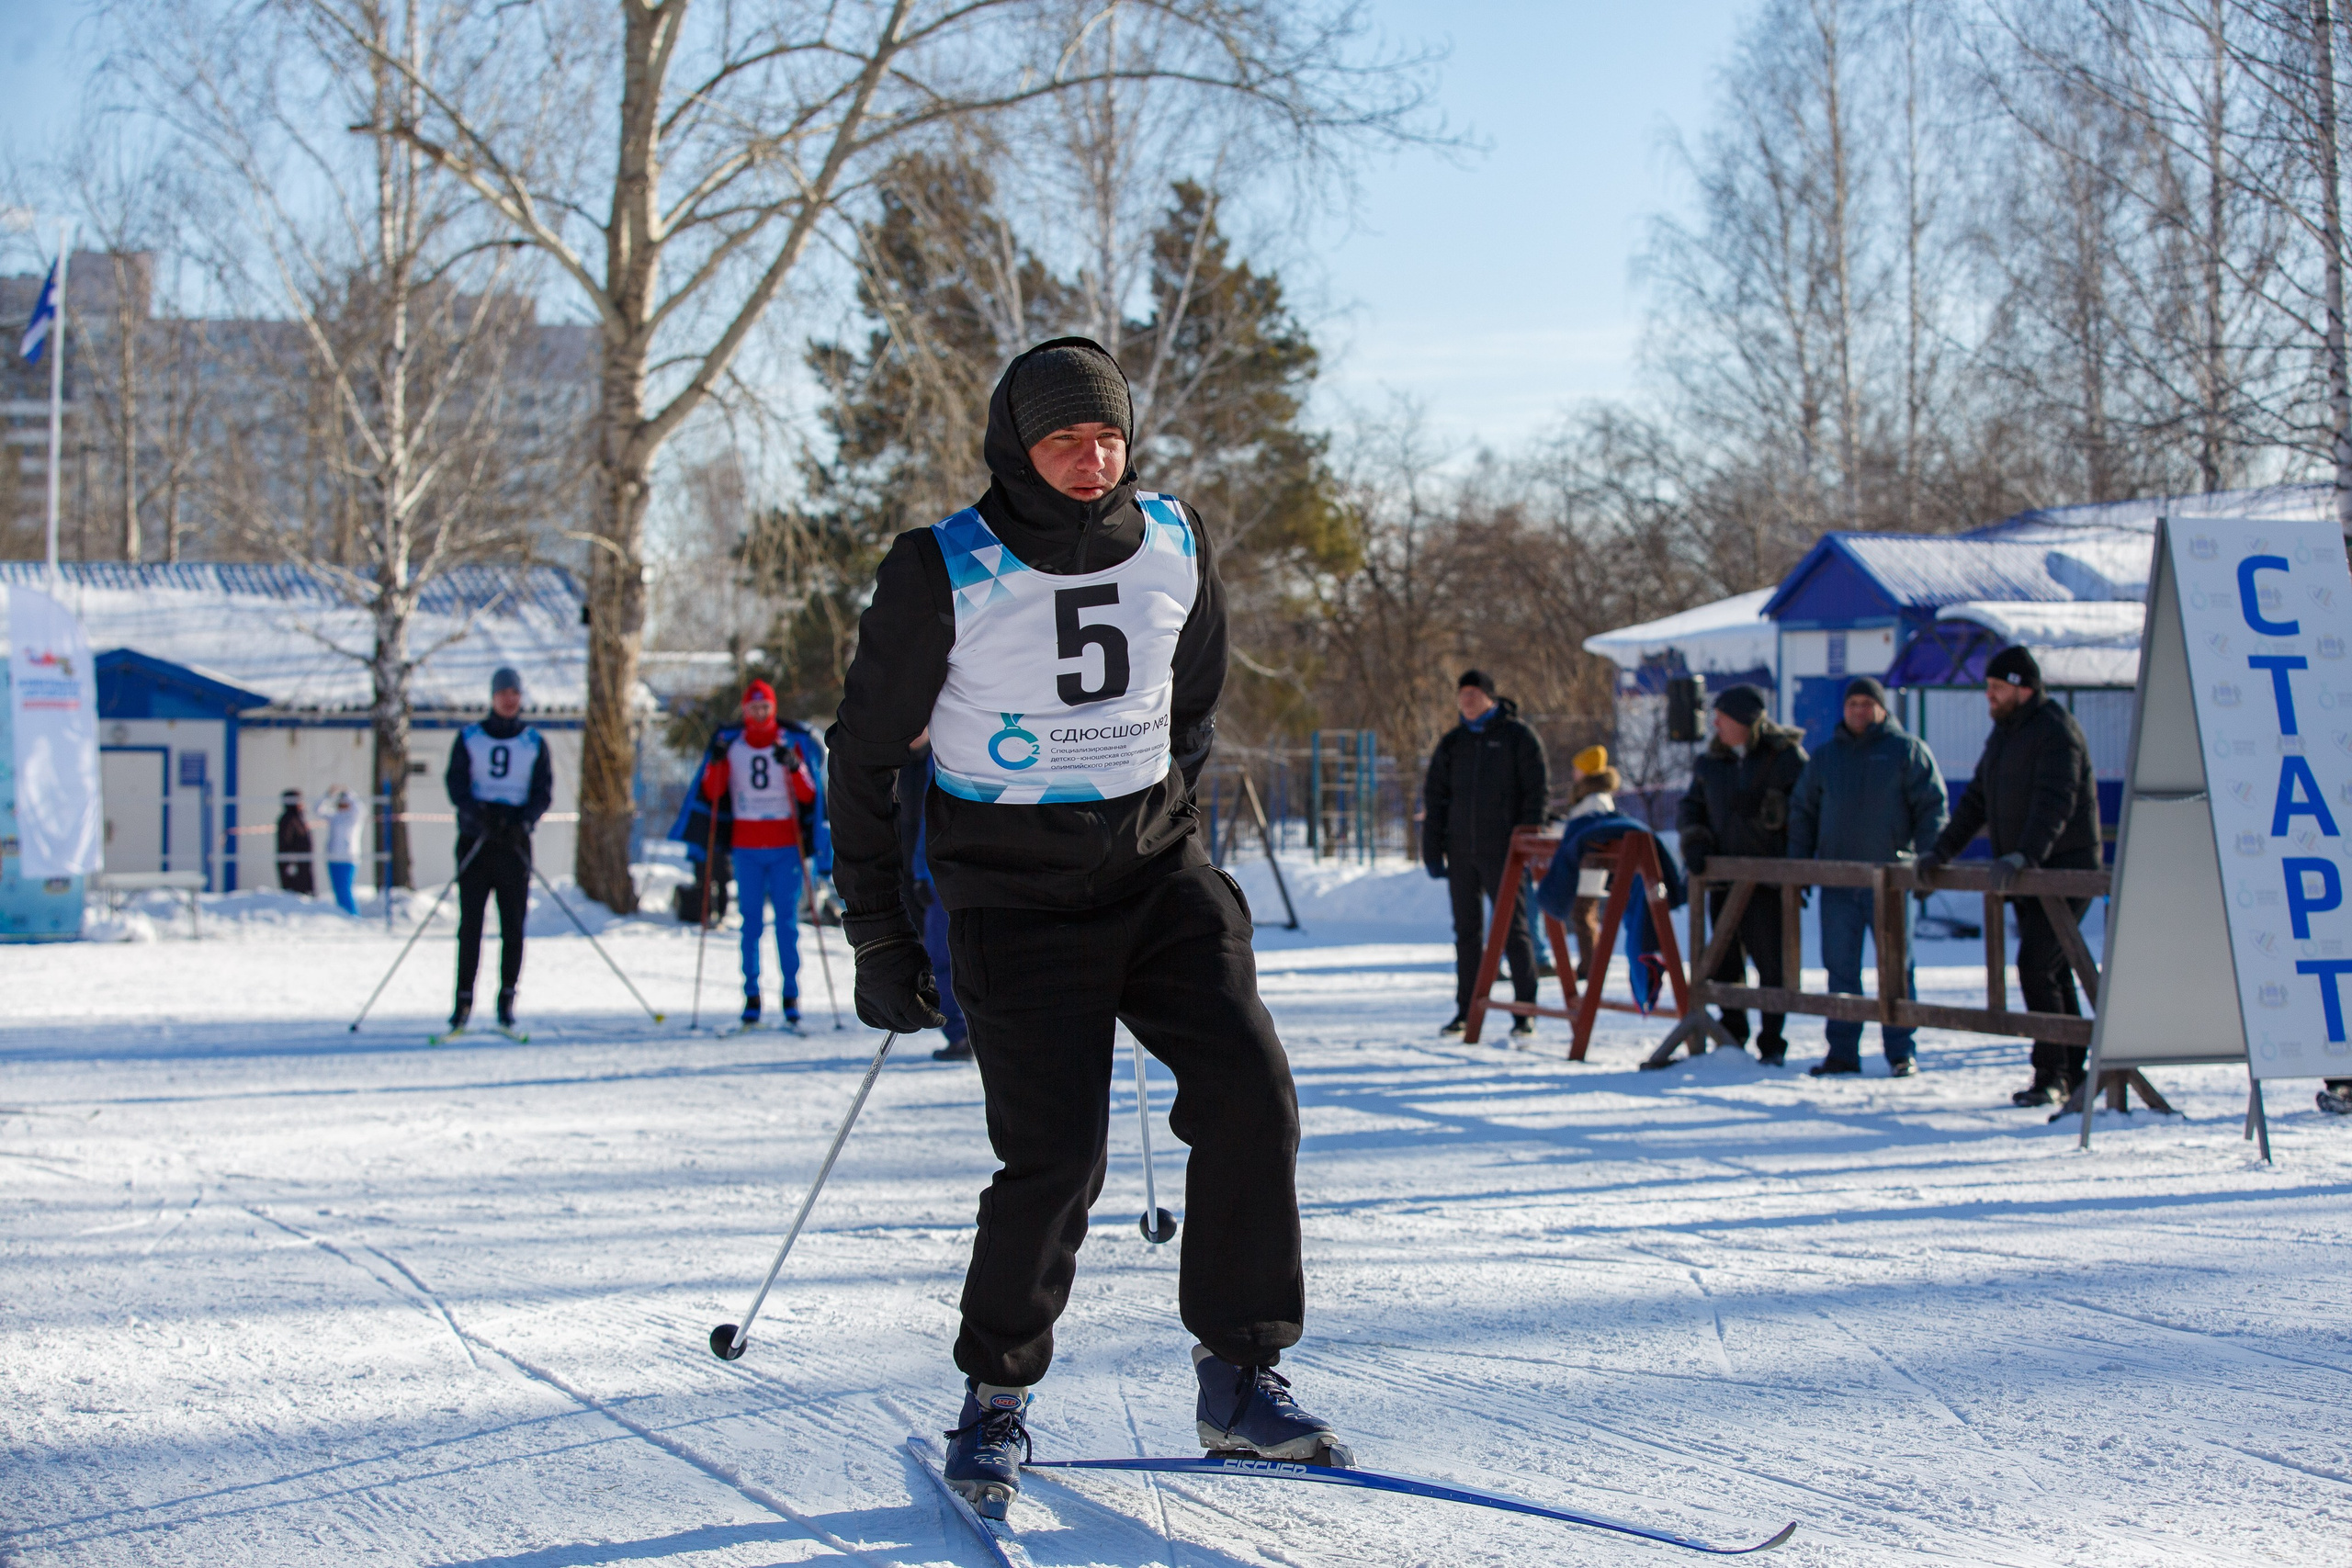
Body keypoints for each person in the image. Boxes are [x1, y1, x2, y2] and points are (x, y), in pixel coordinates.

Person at [826, 336, 1344, 1520]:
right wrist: (878, 930)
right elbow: (859, 756)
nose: (1089, 459)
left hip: (1157, 880)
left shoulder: (1173, 536)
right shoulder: (939, 568)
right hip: (1012, 898)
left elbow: (1193, 700)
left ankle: (1240, 1373)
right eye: (1063, 439)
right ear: (1016, 444)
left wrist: (1171, 825)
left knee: (1252, 1092)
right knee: (1058, 1159)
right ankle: (996, 1396)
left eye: (1107, 435)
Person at [1916, 646, 2099, 1107]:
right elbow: (1977, 800)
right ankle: (2068, 1072)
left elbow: (2055, 801)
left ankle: (2056, 1073)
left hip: (2064, 872)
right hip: (2026, 873)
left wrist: (2025, 855)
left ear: (2024, 687)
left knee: (2039, 965)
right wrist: (1942, 851)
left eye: (1997, 689)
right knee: (2050, 969)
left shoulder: (2056, 731)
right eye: (1989, 689)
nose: (1990, 697)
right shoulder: (2004, 735)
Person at [1787, 676, 1947, 1077]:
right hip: (1839, 880)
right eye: (1851, 703)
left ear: (1881, 707)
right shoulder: (1826, 757)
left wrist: (1929, 861)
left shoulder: (1905, 751)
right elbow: (1803, 810)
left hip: (1890, 883)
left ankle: (1900, 1050)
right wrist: (1800, 866)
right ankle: (1842, 1051)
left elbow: (1932, 807)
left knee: (1896, 967)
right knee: (1839, 968)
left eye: (1866, 703)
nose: (1858, 710)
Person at [1676, 684, 1808, 1064]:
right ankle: (1731, 1034)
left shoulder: (1786, 759)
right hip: (1720, 880)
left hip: (1768, 884)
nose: (1714, 723)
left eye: (1723, 717)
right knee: (1722, 961)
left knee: (1771, 963)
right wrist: (1696, 842)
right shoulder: (1710, 763)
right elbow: (1691, 809)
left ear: (1746, 721)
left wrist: (1773, 815)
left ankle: (1772, 1042)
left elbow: (1805, 816)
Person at [1422, 670, 1549, 1038]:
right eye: (1462, 695)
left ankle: (1525, 1011)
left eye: (1474, 694)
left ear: (1490, 698)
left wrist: (1526, 839)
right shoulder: (1453, 744)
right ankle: (1466, 1010)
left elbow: (1536, 792)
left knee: (1514, 929)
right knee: (1466, 932)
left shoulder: (1517, 738)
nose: (1467, 701)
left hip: (1506, 853)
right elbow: (1436, 799)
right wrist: (1432, 849)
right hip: (1461, 851)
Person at [693, 680, 820, 1029]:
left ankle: (791, 995)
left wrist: (794, 765)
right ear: (745, 711)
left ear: (773, 709)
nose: (759, 714)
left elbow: (810, 795)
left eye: (765, 708)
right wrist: (715, 763)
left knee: (786, 925)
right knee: (750, 924)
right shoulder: (733, 747)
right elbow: (711, 791)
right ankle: (751, 995)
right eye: (753, 709)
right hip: (746, 845)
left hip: (785, 845)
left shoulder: (788, 743)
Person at [445, 666, 553, 1034]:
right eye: (504, 692)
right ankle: (462, 1001)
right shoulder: (470, 737)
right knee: (471, 925)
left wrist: (523, 821)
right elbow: (457, 785)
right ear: (492, 696)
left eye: (515, 693)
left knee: (514, 927)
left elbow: (543, 790)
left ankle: (507, 1000)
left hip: (514, 844)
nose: (510, 699)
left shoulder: (534, 742)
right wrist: (478, 818)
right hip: (477, 841)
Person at [897, 734, 971, 1062]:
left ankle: (975, 1032)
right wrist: (917, 872)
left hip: (961, 866)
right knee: (940, 956)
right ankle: (960, 1034)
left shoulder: (951, 746)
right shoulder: (906, 759)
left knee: (956, 955)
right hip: (931, 870)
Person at [1560, 745, 1619, 980]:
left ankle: (1591, 964)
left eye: (1578, 769)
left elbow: (1587, 830)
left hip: (1592, 864)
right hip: (1587, 863)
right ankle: (1591, 963)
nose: (1574, 773)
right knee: (1583, 914)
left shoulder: (1596, 800)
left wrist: (1562, 828)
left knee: (1583, 915)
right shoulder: (1591, 797)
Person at [322, 785, 365, 916]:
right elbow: (317, 810)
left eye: (345, 803)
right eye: (340, 803)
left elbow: (360, 808)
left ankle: (352, 915)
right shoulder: (335, 817)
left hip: (348, 858)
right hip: (333, 857)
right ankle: (343, 914)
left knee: (345, 889)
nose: (342, 806)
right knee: (337, 890)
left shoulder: (354, 818)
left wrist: (348, 792)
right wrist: (328, 795)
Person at [275, 789, 315, 895]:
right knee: (295, 894)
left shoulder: (299, 818)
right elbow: (284, 843)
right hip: (294, 867)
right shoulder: (288, 819)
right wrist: (291, 863)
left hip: (303, 865)